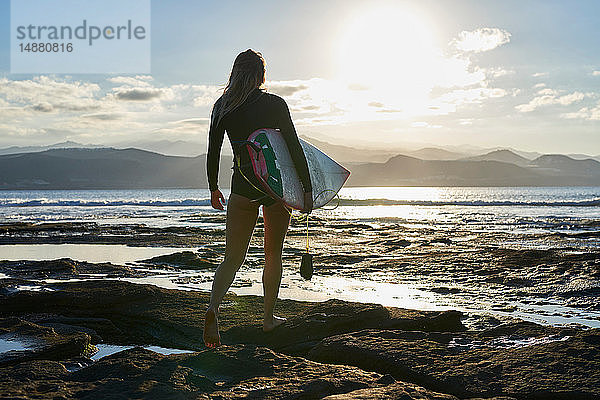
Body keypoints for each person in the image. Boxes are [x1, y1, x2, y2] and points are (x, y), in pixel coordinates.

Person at [203, 49, 313, 348]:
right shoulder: (275, 103)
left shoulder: (222, 106)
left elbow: (214, 151)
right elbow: (292, 145)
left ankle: (213, 308)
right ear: (261, 74)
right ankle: (268, 318)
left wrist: (213, 187)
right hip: (274, 189)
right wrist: (305, 187)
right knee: (272, 255)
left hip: (241, 188)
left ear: (234, 72)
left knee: (232, 258)